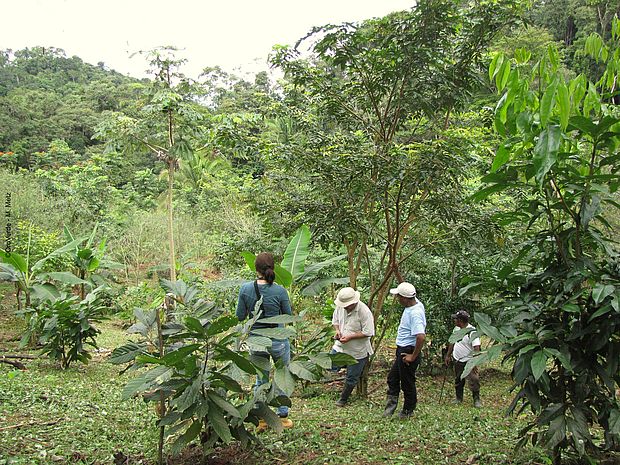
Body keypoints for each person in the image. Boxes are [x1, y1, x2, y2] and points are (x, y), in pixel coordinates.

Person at [236, 252, 293, 429]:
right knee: (282, 376)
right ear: (272, 268)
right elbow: (288, 316)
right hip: (278, 340)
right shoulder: (280, 291)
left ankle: (261, 418)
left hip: (256, 341)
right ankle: (282, 415)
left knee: (261, 379)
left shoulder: (245, 289)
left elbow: (239, 316)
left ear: (256, 269)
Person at [383, 282, 426, 419]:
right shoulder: (415, 302)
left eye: (398, 296)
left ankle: (408, 410)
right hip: (402, 348)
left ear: (404, 298)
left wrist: (413, 356)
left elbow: (421, 336)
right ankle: (390, 407)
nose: (397, 299)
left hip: (408, 350)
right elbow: (408, 290)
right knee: (393, 378)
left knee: (407, 382)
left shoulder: (415, 313)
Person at [330, 287, 375, 407]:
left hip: (357, 350)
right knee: (330, 364)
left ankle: (343, 399)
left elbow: (368, 332)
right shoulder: (340, 307)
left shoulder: (364, 311)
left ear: (354, 302)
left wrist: (350, 337)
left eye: (347, 305)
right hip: (340, 347)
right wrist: (338, 331)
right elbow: (335, 321)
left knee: (352, 377)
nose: (345, 307)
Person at [444, 310, 482, 408]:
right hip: (458, 359)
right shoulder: (456, 329)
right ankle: (458, 398)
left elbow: (476, 348)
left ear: (460, 320)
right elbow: (452, 342)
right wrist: (448, 355)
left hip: (469, 360)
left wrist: (474, 362)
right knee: (458, 379)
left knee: (474, 379)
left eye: (456, 319)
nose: (454, 320)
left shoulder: (472, 331)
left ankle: (476, 399)